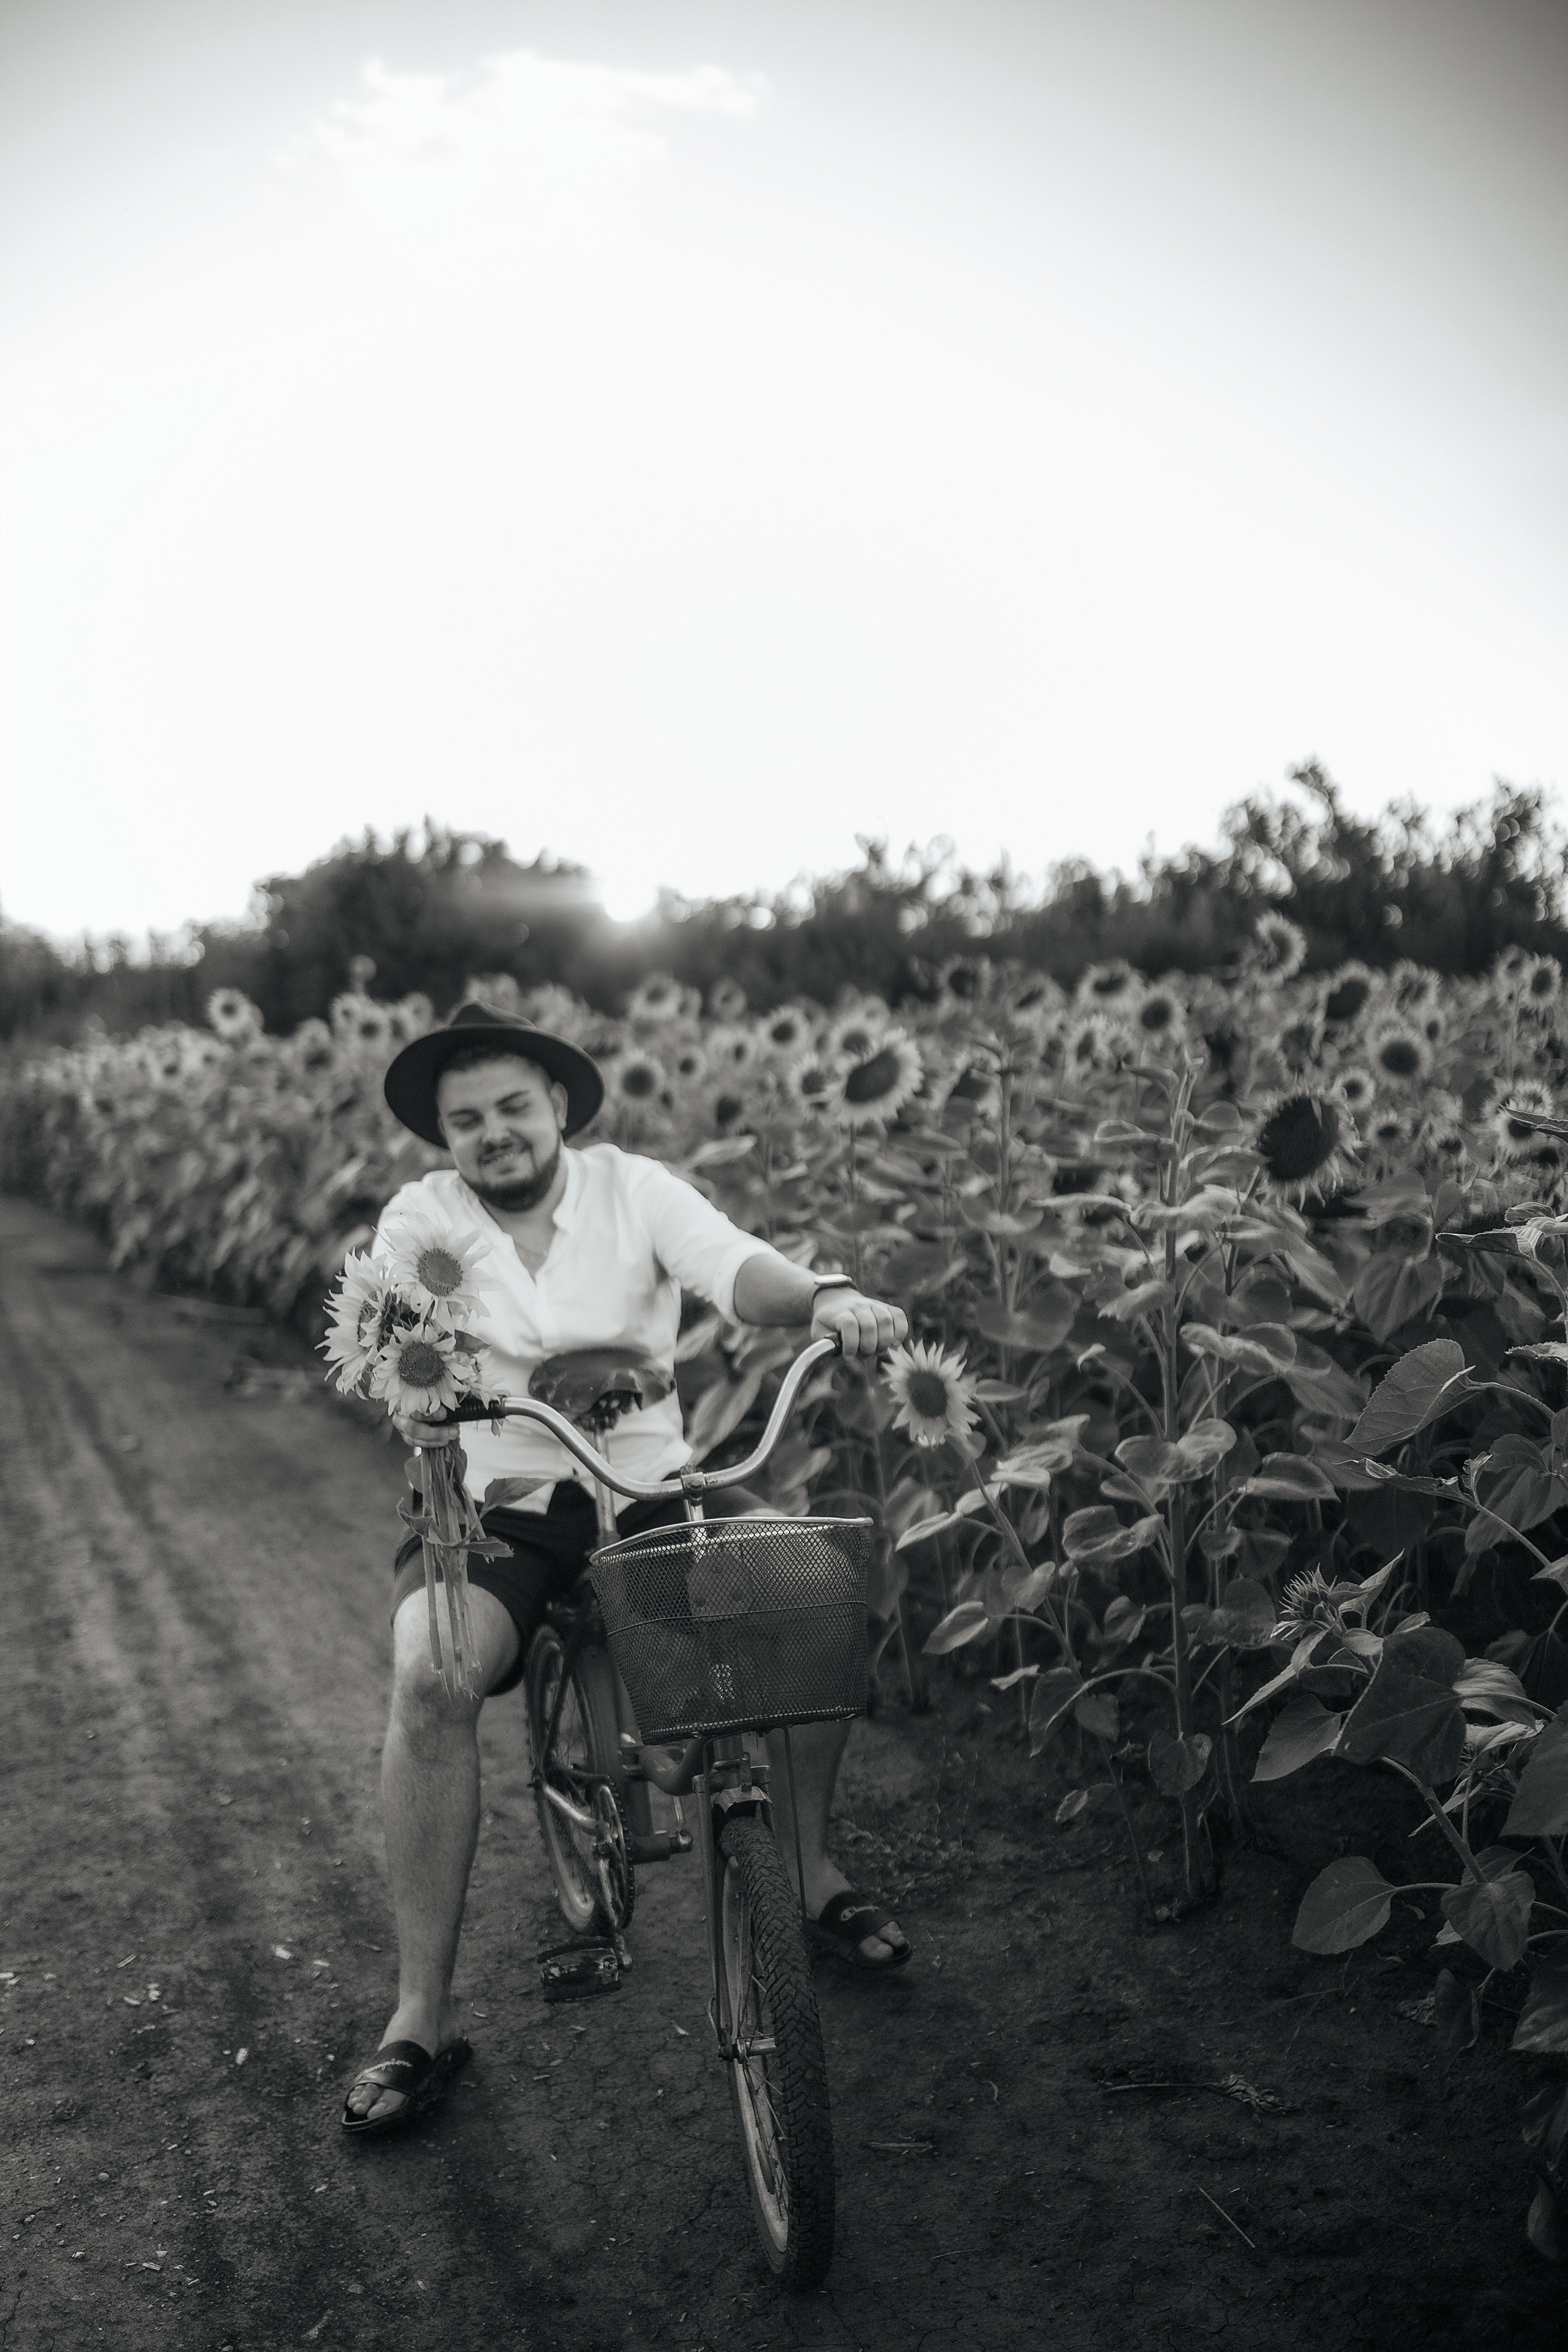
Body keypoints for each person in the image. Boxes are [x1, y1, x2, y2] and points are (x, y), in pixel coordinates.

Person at [343, 998, 912, 2133]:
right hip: (502, 1501)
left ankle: (805, 1870)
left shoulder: (632, 1188)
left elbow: (735, 1268)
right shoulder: (422, 1217)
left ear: (557, 1103)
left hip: (650, 1479)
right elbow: (388, 1332)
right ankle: (420, 2015)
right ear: (445, 1138)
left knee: (816, 1592)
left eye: (513, 1106)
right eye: (467, 1120)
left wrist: (823, 1296)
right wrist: (409, 1388)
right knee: (430, 1674)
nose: (494, 1133)